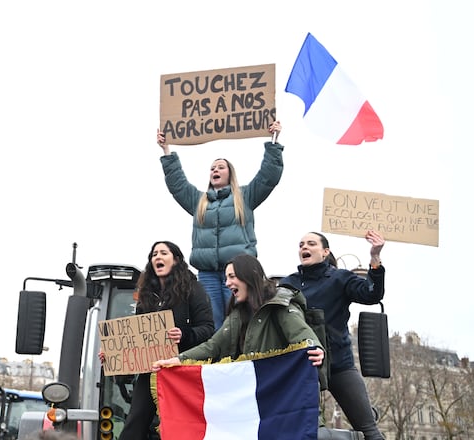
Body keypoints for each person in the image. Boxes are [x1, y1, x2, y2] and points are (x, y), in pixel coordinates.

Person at [156, 121, 284, 330]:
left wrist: (274, 142)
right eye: (212, 168)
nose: (215, 170)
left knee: (241, 318)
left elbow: (268, 178)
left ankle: (243, 360)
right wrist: (166, 151)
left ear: (230, 173)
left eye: (220, 167)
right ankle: (217, 361)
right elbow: (178, 185)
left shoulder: (244, 197)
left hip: (238, 271)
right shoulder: (199, 202)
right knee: (212, 322)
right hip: (207, 274)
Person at [279, 231, 385, 440]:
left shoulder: (340, 278)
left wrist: (375, 257)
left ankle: (364, 414)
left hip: (338, 364)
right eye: (301, 245)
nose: (304, 248)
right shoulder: (287, 284)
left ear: (325, 251)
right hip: (303, 368)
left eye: (311, 244)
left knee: (369, 431)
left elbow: (372, 294)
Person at [105, 241, 214, 440]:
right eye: (154, 254)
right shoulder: (146, 297)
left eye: (164, 253)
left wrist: (184, 334)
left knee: (179, 427)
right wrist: (113, 355)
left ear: (177, 260)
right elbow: (133, 339)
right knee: (134, 425)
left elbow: (208, 329)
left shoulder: (193, 289)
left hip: (182, 372)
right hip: (152, 371)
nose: (157, 257)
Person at [152, 253, 324, 368]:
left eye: (232, 277)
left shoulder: (280, 305)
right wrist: (176, 360)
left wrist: (316, 349)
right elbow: (213, 347)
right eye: (226, 278)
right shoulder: (236, 315)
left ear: (250, 275)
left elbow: (303, 335)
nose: (227, 283)